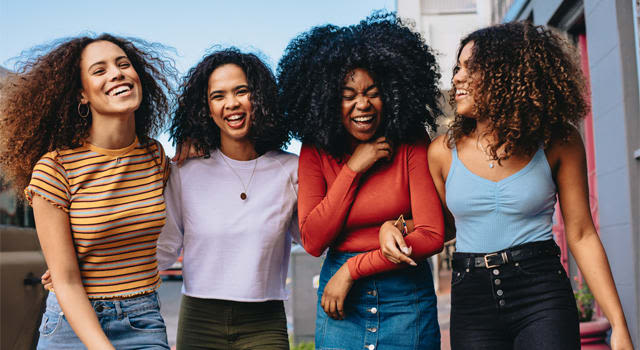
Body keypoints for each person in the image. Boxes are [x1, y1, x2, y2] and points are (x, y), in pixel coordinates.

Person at [381, 21, 634, 349]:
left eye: (470, 69)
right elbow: (443, 227)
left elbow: (582, 234)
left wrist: (619, 326)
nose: (456, 78)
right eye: (457, 68)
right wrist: (396, 226)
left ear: (507, 74)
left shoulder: (559, 141)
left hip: (541, 294)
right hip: (472, 301)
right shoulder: (443, 152)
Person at [277, 13, 445, 350]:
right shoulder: (316, 149)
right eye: (348, 95)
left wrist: (354, 268)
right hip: (342, 307)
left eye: (373, 92)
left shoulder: (410, 140)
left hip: (405, 297)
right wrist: (354, 169)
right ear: (326, 100)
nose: (362, 104)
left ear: (393, 93)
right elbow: (313, 239)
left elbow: (433, 234)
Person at [0, 34, 176, 349]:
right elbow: (65, 282)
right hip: (71, 324)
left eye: (124, 64)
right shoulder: (55, 169)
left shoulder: (154, 156)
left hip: (143, 318)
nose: (117, 73)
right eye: (100, 70)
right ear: (82, 95)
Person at [157, 48, 298, 350]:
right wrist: (88, 269)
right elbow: (163, 250)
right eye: (218, 96)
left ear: (259, 98)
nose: (231, 103)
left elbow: (316, 236)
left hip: (265, 321)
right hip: (199, 320)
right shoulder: (185, 170)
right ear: (206, 109)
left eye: (241, 91)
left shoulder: (291, 169)